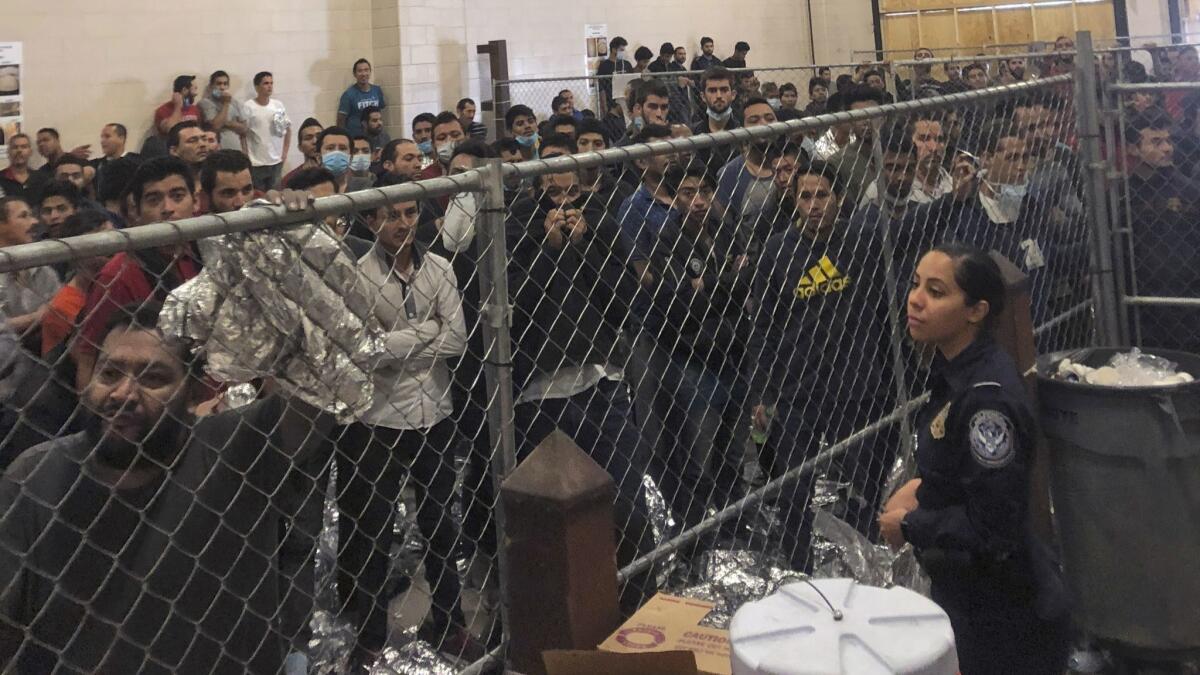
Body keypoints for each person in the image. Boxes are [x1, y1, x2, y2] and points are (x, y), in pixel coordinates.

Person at [0, 300, 335, 674]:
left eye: (152, 378)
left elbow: (323, 388)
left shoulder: (234, 451)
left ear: (192, 394)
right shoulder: (36, 477)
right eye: (109, 373)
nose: (123, 394)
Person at [881, 244, 1070, 674]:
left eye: (936, 291)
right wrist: (922, 488)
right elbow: (960, 470)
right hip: (974, 597)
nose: (915, 298)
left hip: (1006, 616)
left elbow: (993, 526)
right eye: (915, 284)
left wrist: (910, 524)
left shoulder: (986, 400)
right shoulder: (957, 371)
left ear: (975, 310)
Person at [505, 162, 656, 613]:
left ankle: (639, 603)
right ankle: (563, 612)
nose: (565, 205)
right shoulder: (514, 234)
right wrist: (549, 249)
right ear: (537, 191)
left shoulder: (602, 230)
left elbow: (622, 301)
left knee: (628, 505)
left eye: (574, 195)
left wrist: (585, 246)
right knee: (556, 518)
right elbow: (518, 311)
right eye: (555, 194)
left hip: (602, 381)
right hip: (541, 395)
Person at [338, 187, 481, 666]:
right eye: (391, 215)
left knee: (440, 526)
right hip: (378, 421)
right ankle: (371, 634)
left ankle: (450, 623)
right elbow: (361, 351)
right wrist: (427, 333)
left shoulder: (439, 267)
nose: (402, 223)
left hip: (434, 414)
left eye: (409, 212)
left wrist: (394, 342)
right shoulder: (358, 276)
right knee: (374, 533)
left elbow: (458, 339)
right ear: (372, 221)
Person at [748, 160, 895, 569]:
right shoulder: (778, 251)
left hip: (855, 385)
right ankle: (800, 568)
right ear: (793, 201)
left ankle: (863, 562)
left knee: (864, 483)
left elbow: (912, 228)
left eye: (822, 195)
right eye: (805, 196)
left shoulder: (861, 241)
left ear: (840, 199)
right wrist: (761, 392)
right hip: (798, 392)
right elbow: (763, 325)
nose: (814, 205)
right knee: (794, 489)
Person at [642, 165, 751, 553]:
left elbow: (748, 278)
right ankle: (696, 536)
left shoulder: (725, 229)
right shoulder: (666, 239)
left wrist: (710, 283)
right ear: (675, 199)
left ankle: (735, 526)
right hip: (693, 357)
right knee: (697, 457)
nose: (699, 201)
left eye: (705, 191)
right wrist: (726, 281)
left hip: (734, 351)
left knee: (733, 452)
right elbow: (676, 302)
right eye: (689, 193)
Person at [74, 158, 202, 389]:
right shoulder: (118, 276)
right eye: (154, 200)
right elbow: (87, 359)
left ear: (196, 202)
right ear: (138, 212)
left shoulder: (200, 254)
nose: (167, 208)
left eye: (178, 196)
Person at [1122, 108, 1200, 352]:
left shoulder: (1189, 189)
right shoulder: (1122, 192)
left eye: (1169, 140)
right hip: (1141, 295)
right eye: (1156, 141)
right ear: (1133, 148)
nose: (1167, 148)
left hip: (1186, 291)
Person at [713, 97, 780, 257]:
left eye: (769, 119)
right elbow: (724, 229)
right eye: (754, 120)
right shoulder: (730, 173)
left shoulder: (793, 162)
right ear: (742, 129)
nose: (763, 124)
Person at [0, 196, 59, 339]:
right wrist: (36, 317)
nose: (34, 222)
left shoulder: (40, 267)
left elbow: (59, 308)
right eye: (23, 216)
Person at [827, 85, 885, 206]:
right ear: (851, 121)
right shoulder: (838, 162)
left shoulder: (895, 153)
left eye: (873, 115)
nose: (867, 121)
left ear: (884, 117)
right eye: (860, 116)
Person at [244, 71, 292, 191]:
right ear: (257, 87)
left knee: (275, 195)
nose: (270, 86)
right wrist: (246, 156)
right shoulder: (248, 106)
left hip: (276, 161)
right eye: (266, 83)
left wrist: (284, 153)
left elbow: (288, 129)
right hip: (256, 162)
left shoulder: (278, 105)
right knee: (259, 195)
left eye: (271, 83)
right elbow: (243, 134)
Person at [199, 70, 250, 153]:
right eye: (218, 84)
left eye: (225, 84)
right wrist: (226, 103)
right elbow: (216, 126)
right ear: (211, 86)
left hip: (236, 150)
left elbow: (245, 128)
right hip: (217, 152)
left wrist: (227, 123)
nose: (222, 87)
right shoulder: (205, 103)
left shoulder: (235, 102)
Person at [338, 58, 385, 138]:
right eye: (360, 71)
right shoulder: (348, 94)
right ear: (354, 74)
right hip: (355, 137)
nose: (363, 74)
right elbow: (341, 120)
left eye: (366, 70)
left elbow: (379, 112)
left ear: (370, 72)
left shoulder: (377, 90)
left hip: (374, 136)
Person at [418, 111, 466, 184]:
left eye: (455, 135)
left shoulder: (480, 166)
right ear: (433, 146)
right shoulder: (426, 178)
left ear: (466, 138)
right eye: (441, 138)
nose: (449, 141)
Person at [0, 134, 50, 202]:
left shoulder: (42, 179)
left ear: (30, 152)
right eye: (15, 147)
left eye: (24, 147)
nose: (19, 150)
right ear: (8, 152)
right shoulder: (1, 178)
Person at [280, 118, 323, 188]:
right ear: (300, 148)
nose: (315, 141)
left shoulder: (337, 172)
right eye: (308, 138)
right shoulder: (289, 179)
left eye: (319, 137)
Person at [597, 36, 634, 114]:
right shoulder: (604, 66)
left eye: (624, 50)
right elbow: (601, 88)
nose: (623, 52)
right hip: (611, 104)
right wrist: (604, 107)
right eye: (621, 50)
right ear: (614, 49)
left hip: (626, 102)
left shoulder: (627, 64)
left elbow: (633, 83)